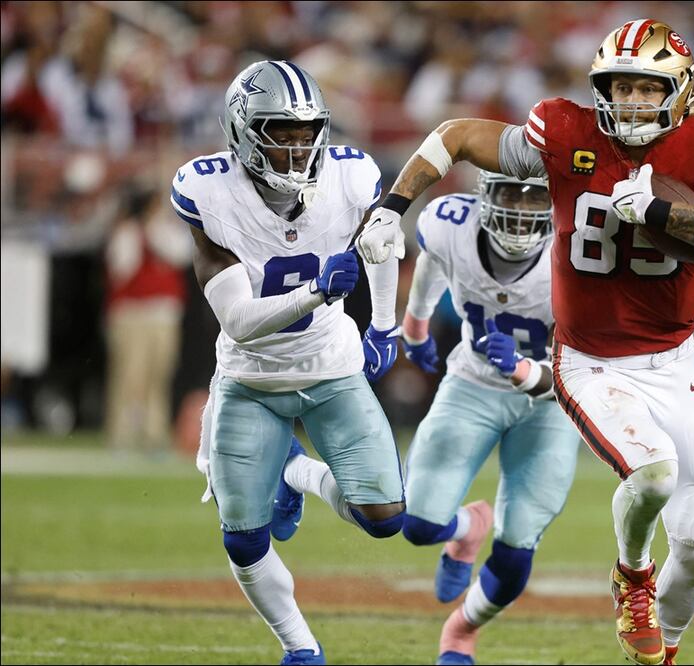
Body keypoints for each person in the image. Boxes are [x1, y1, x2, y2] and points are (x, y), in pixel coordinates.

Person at [356, 19, 694, 666]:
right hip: (591, 360)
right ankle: (632, 576)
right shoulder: (565, 133)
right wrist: (391, 205)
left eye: (645, 88)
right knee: (652, 473)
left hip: (675, 363)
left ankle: (666, 651)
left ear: (679, 92)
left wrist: (657, 212)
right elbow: (456, 135)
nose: (629, 102)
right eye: (618, 87)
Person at [173, 60, 405, 666]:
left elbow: (380, 242)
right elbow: (238, 321)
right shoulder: (208, 193)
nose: (298, 146)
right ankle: (300, 647)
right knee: (244, 536)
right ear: (244, 131)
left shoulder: (350, 177)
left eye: (308, 133)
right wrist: (318, 292)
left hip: (330, 368)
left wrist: (384, 322)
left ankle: (295, 473)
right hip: (251, 380)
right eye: (281, 131)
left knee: (384, 518)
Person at [393, 171, 580, 665]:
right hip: (472, 383)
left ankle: (461, 630)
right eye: (509, 193)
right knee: (416, 523)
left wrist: (525, 370)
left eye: (535, 195)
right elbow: (432, 259)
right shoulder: (449, 223)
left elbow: (586, 371)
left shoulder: (580, 249)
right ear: (484, 195)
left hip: (550, 404)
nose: (520, 210)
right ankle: (467, 528)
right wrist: (416, 324)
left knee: (517, 551)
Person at [103, 182, 189, 455]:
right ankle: (123, 435)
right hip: (132, 314)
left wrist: (155, 231)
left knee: (158, 376)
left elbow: (181, 255)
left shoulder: (165, 231)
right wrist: (141, 232)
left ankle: (154, 435)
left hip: (163, 314)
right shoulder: (127, 233)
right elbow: (121, 268)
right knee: (130, 376)